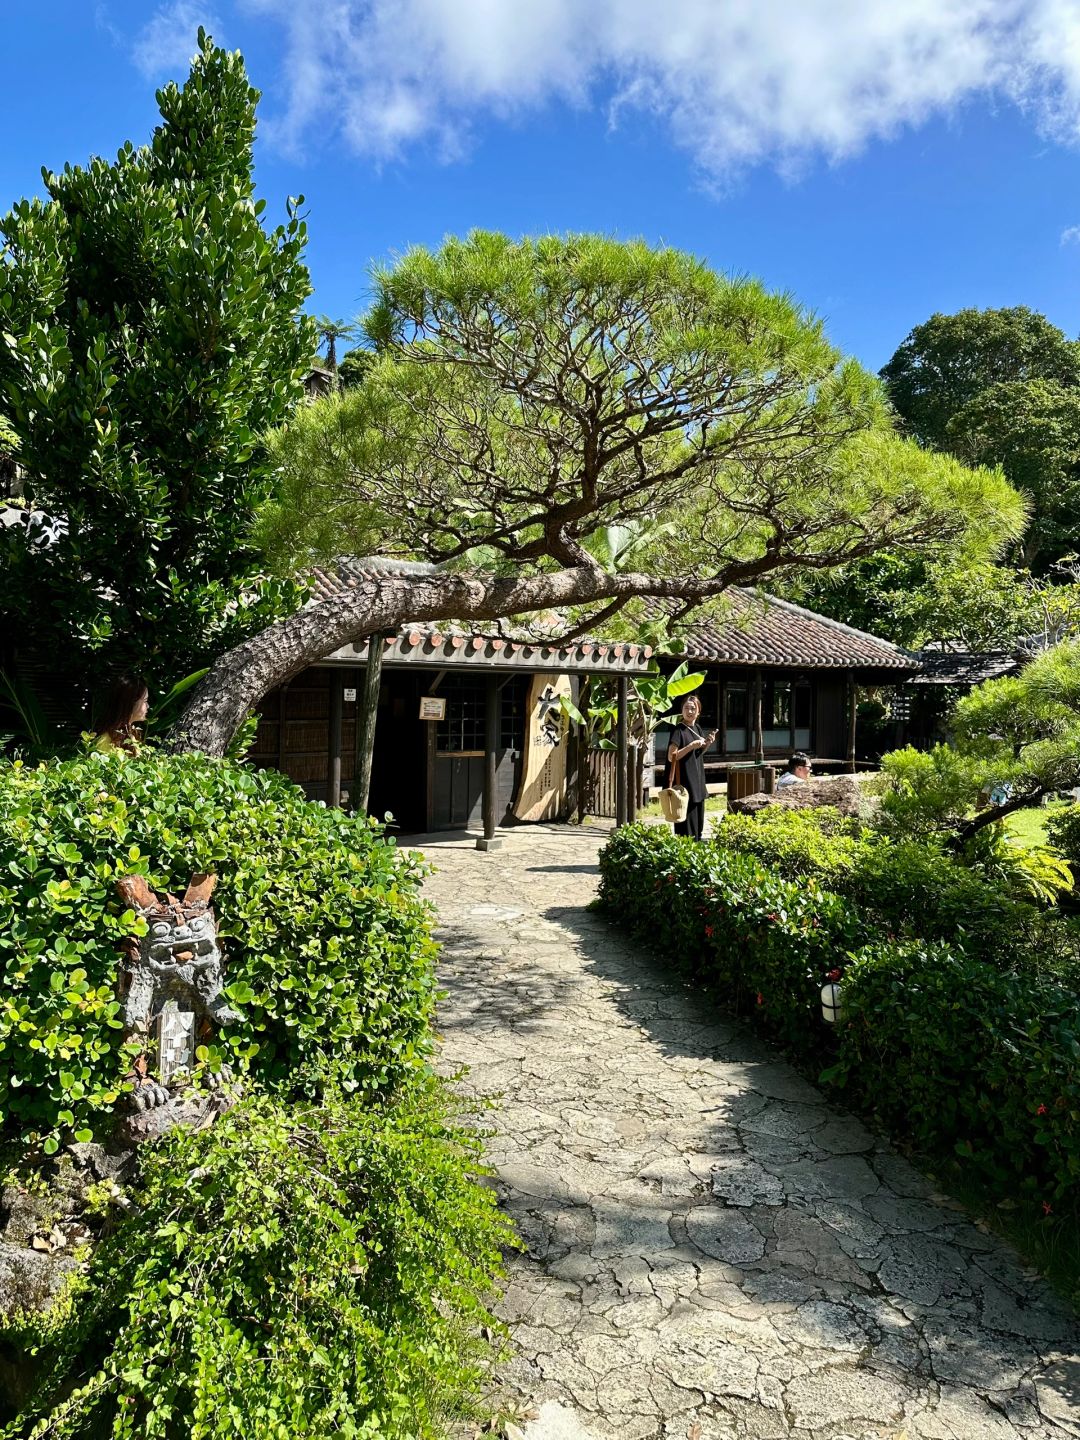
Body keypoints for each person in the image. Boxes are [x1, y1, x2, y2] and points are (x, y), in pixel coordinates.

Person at [666, 695, 716, 841]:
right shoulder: (678, 730)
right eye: (686, 708)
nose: (689, 711)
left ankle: (696, 843)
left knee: (698, 819)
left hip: (697, 779)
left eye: (693, 708)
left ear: (698, 711)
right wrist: (690, 746)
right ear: (681, 710)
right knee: (686, 820)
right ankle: (686, 848)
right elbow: (671, 756)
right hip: (686, 781)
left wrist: (707, 744)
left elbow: (698, 753)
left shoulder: (697, 728)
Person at [93, 675, 149, 754]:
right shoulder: (108, 741)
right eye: (145, 701)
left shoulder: (132, 734)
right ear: (131, 703)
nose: (148, 706)